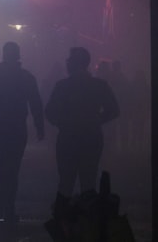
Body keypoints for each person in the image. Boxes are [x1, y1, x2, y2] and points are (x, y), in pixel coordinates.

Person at [44, 47, 120, 217]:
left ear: (75, 63)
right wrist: (96, 121)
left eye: (70, 60)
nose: (67, 62)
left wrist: (62, 123)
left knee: (65, 182)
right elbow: (114, 110)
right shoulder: (99, 86)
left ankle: (61, 223)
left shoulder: (63, 86)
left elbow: (49, 111)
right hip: (91, 138)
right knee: (89, 181)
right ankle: (89, 225)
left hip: (68, 138)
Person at [0, 41, 45, 225]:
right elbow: (35, 103)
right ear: (18, 55)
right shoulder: (26, 77)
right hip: (17, 127)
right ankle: (9, 207)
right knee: (13, 168)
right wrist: (40, 126)